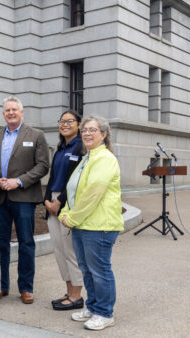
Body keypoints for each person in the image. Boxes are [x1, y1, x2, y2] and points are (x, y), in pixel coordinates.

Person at [59, 115, 124, 331]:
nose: (87, 133)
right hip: (83, 225)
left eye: (92, 130)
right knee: (87, 270)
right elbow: (74, 190)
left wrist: (72, 218)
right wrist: (65, 214)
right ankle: (93, 306)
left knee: (100, 271)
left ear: (104, 134)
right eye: (84, 130)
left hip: (99, 226)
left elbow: (92, 194)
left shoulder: (105, 159)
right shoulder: (87, 158)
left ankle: (105, 313)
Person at [0, 96, 49, 304]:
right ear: (3, 114)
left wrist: (18, 181)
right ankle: (2, 285)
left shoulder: (36, 135)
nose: (10, 113)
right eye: (7, 110)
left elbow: (42, 166)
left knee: (26, 243)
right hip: (1, 198)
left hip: (24, 197)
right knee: (0, 244)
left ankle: (26, 287)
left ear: (22, 112)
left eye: (14, 110)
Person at [43, 110, 84, 311]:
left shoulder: (81, 148)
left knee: (70, 252)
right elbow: (52, 178)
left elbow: (75, 181)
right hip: (52, 202)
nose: (65, 124)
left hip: (67, 203)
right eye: (62, 121)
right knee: (59, 251)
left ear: (79, 124)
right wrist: (46, 201)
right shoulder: (60, 148)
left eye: (70, 121)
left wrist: (59, 201)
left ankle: (77, 296)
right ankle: (69, 291)